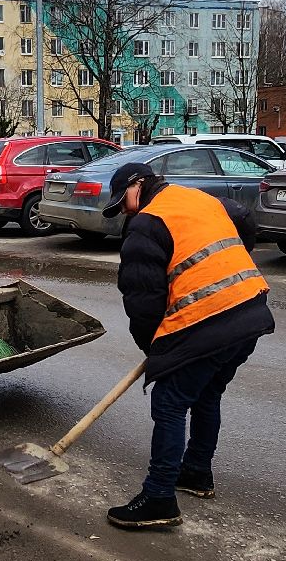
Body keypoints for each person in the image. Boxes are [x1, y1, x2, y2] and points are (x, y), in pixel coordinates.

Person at [99, 162, 274, 530]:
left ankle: (159, 496)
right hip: (251, 310)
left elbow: (143, 303)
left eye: (125, 201)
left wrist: (156, 351)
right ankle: (196, 473)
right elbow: (244, 217)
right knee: (207, 395)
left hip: (210, 320)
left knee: (170, 402)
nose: (127, 211)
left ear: (139, 184)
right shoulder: (196, 198)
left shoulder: (146, 225)